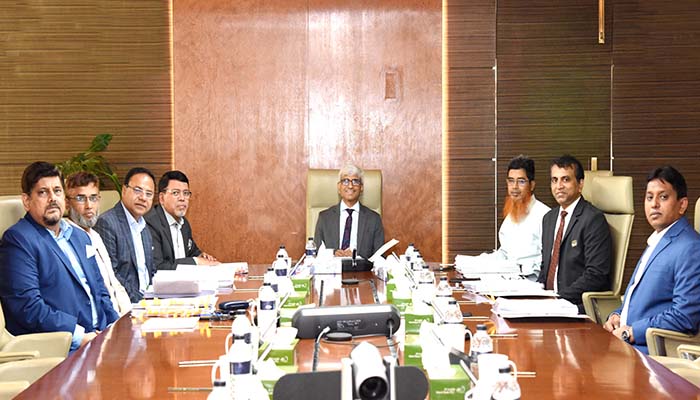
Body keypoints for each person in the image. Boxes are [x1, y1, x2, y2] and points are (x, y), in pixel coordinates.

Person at [0, 162, 119, 352]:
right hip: (64, 348)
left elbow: (100, 291)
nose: (52, 198)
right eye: (43, 192)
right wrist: (80, 337)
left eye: (57, 191)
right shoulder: (18, 240)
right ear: (26, 201)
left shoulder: (80, 236)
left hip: (101, 338)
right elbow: (28, 307)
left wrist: (116, 328)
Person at [604, 166, 700, 354]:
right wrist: (617, 315)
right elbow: (643, 301)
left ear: (682, 205)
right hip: (627, 347)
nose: (654, 204)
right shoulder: (657, 240)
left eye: (663, 197)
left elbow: (684, 316)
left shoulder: (691, 248)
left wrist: (632, 332)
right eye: (649, 197)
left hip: (650, 353)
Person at [537, 155, 612, 312]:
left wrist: (558, 299)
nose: (559, 186)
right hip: (549, 305)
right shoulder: (548, 218)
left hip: (574, 307)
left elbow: (595, 275)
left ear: (580, 184)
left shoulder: (593, 219)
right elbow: (546, 268)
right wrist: (535, 294)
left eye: (565, 179)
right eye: (554, 180)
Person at [455, 155, 550, 279]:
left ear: (532, 185)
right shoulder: (510, 217)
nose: (514, 187)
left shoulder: (545, 216)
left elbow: (549, 261)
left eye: (521, 181)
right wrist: (474, 262)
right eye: (511, 181)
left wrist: (517, 268)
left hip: (532, 283)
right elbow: (504, 254)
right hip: (507, 281)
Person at [65, 172, 132, 316]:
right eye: (80, 199)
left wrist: (129, 315)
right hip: (101, 320)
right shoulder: (66, 238)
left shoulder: (95, 235)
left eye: (93, 198)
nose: (89, 206)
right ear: (67, 203)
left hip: (119, 317)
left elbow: (113, 283)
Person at [94, 167, 155, 303]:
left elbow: (150, 270)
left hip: (148, 301)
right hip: (127, 304)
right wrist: (141, 301)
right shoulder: (107, 223)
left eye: (149, 194)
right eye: (137, 190)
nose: (143, 198)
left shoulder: (144, 227)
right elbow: (111, 274)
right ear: (124, 190)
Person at [145, 170, 219, 270]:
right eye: (176, 193)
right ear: (162, 198)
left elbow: (192, 251)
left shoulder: (184, 223)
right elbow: (158, 267)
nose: (182, 198)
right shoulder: (150, 224)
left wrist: (201, 256)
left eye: (186, 193)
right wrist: (196, 262)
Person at [314, 164, 385, 259]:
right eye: (346, 181)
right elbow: (316, 252)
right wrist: (333, 254)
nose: (350, 186)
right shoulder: (324, 218)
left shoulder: (374, 219)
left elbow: (380, 257)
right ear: (339, 187)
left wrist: (357, 257)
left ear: (361, 187)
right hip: (333, 267)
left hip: (361, 268)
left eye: (355, 181)